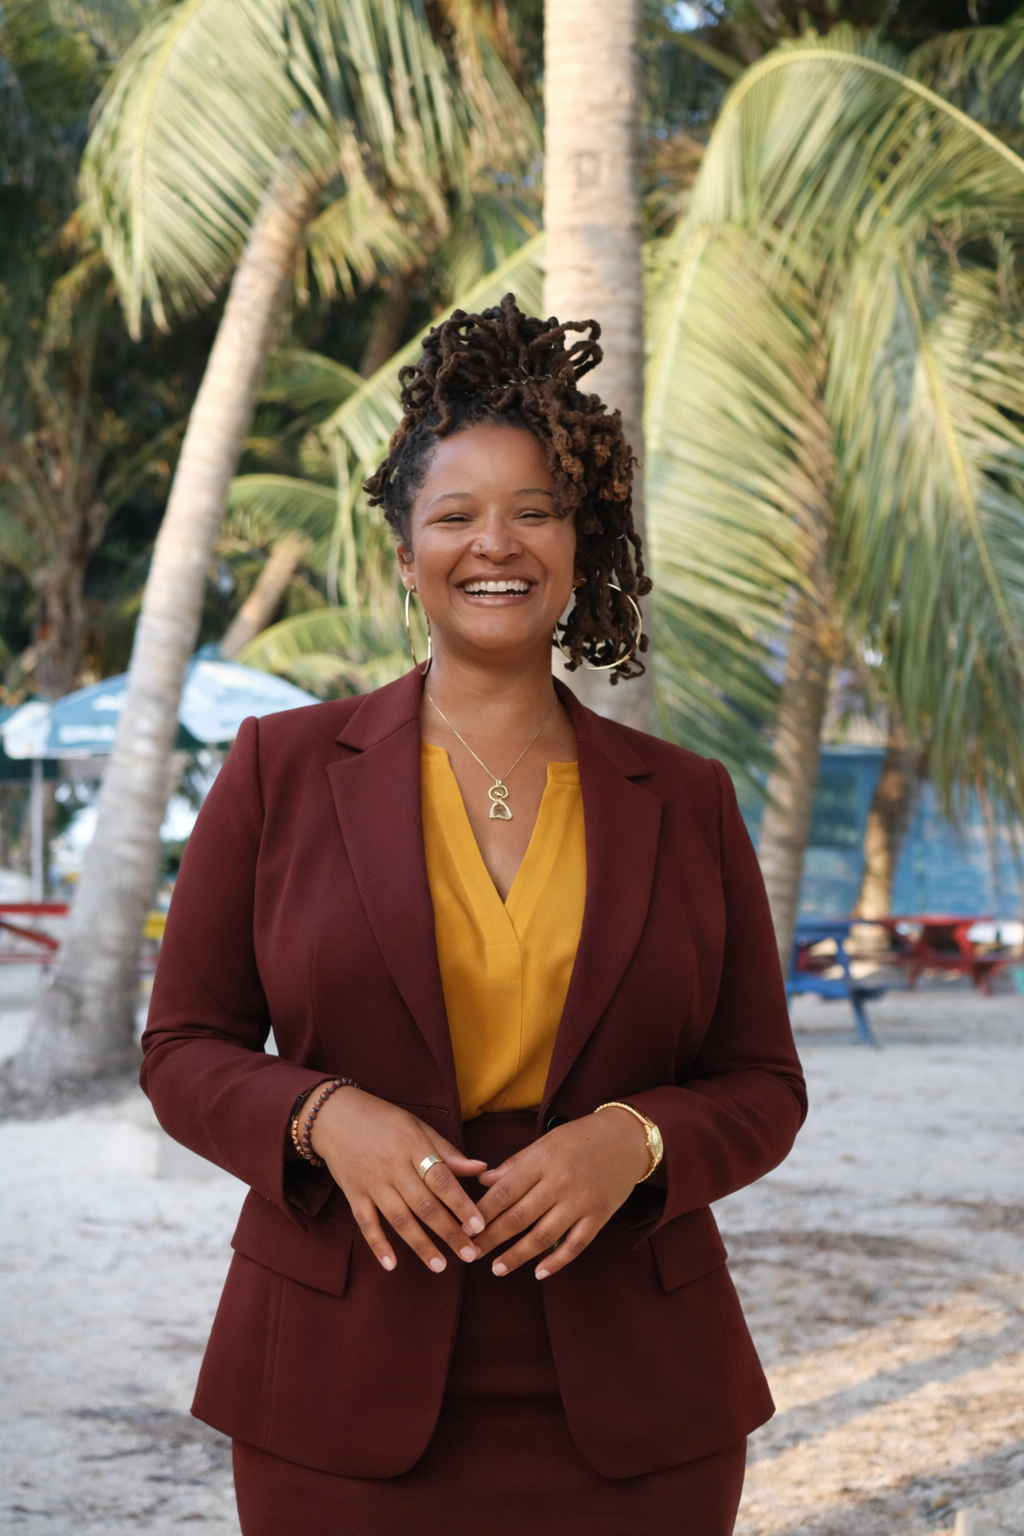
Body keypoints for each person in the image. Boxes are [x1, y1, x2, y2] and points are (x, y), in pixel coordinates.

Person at [141, 293, 807, 1535]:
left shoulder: (689, 800)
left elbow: (762, 1081)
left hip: (640, 1397)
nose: (493, 543)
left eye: (534, 511)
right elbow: (181, 1051)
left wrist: (639, 1142)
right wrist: (321, 1117)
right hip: (337, 1385)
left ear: (578, 543)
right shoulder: (277, 769)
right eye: (454, 514)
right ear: (406, 554)